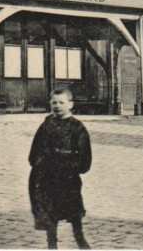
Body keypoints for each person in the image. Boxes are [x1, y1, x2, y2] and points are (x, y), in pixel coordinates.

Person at [29, 90, 93, 249]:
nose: (57, 106)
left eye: (61, 102)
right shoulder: (46, 125)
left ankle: (81, 242)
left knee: (74, 213)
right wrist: (42, 164)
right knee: (50, 214)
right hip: (46, 179)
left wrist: (67, 165)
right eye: (54, 103)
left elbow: (85, 161)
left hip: (68, 180)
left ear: (71, 104)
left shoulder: (77, 128)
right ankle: (52, 244)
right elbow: (33, 155)